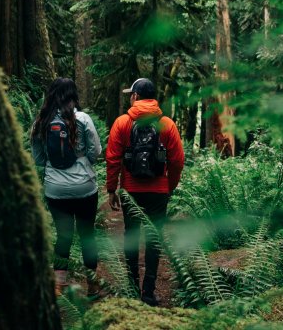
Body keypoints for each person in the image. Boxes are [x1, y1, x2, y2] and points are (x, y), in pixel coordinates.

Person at [106, 78, 185, 306]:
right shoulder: (167, 124)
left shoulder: (122, 123)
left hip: (131, 190)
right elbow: (177, 160)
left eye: (131, 94)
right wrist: (169, 187)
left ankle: (131, 288)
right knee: (154, 238)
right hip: (158, 191)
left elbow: (112, 158)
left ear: (135, 97)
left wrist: (112, 189)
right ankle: (148, 292)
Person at [31, 78, 102, 297]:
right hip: (85, 188)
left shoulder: (41, 122)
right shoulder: (83, 118)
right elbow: (96, 151)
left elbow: (39, 159)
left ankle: (58, 287)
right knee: (87, 234)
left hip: (55, 190)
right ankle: (92, 286)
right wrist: (82, 161)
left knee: (63, 236)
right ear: (73, 95)